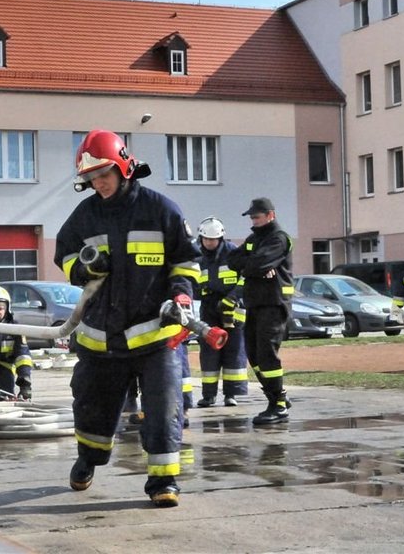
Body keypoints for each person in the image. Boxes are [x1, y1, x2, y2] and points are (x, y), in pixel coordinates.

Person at [54, 129, 200, 508]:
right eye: (91, 177)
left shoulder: (161, 210)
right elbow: (64, 254)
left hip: (155, 334)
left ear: (123, 168)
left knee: (164, 407)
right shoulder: (84, 215)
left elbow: (185, 261)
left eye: (104, 174)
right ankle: (89, 459)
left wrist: (182, 294)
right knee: (91, 406)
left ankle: (163, 481)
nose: (98, 183)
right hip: (101, 336)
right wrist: (82, 269)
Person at [226, 197, 293, 426]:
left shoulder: (279, 238)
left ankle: (278, 405)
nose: (253, 221)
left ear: (270, 215)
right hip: (254, 303)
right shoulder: (254, 239)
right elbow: (232, 259)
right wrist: (254, 266)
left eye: (256, 217)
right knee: (253, 354)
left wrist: (254, 266)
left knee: (266, 353)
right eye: (251, 217)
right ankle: (277, 394)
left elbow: (259, 263)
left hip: (274, 303)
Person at [194, 216, 249, 408]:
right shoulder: (196, 255)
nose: (210, 242)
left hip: (232, 308)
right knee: (209, 352)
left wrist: (233, 297)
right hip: (209, 308)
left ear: (221, 238)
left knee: (233, 352)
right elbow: (191, 282)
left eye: (214, 239)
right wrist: (199, 292)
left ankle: (231, 394)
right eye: (206, 239)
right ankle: (208, 395)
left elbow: (246, 277)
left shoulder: (233, 252)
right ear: (201, 238)